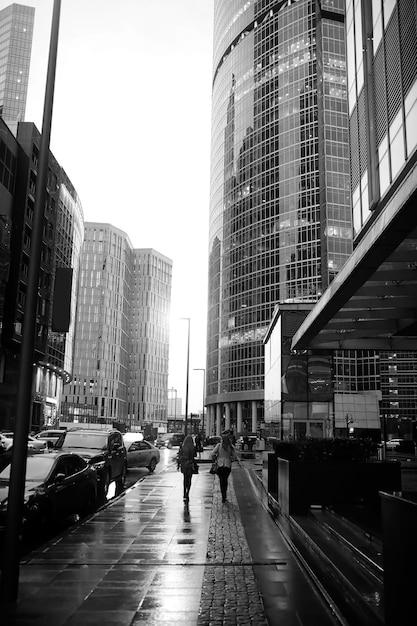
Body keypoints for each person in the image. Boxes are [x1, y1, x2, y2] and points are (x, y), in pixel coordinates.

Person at [211, 433, 237, 503]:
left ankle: (223, 495)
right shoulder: (231, 447)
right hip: (227, 465)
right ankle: (224, 494)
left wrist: (217, 457)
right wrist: (230, 459)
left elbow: (212, 453)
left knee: (221, 480)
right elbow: (235, 456)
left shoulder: (219, 445)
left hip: (220, 465)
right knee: (225, 480)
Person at [177, 434, 197, 503]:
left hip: (184, 464)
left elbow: (179, 456)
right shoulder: (192, 447)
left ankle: (184, 492)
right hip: (190, 465)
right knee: (189, 479)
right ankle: (188, 492)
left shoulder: (182, 447)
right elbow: (195, 455)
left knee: (185, 478)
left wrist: (178, 465)